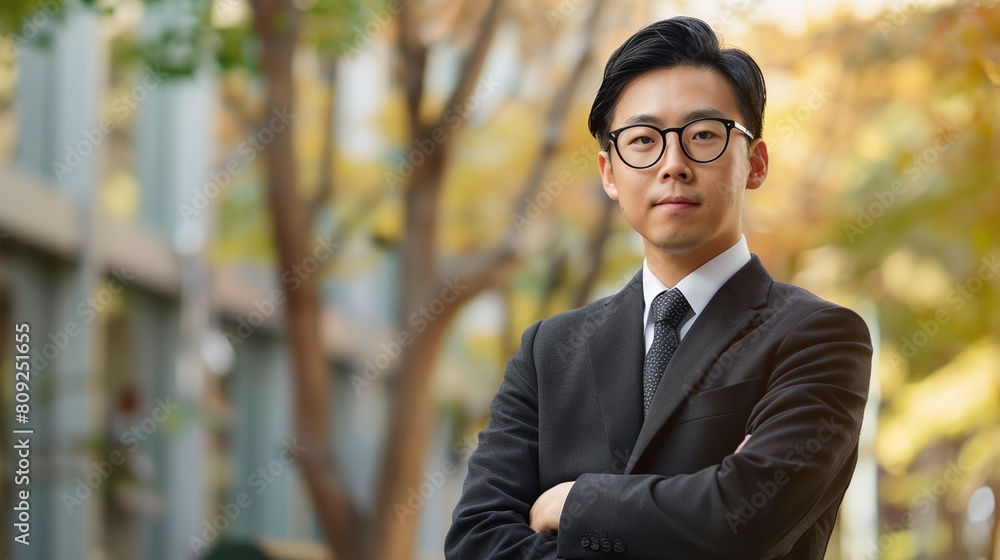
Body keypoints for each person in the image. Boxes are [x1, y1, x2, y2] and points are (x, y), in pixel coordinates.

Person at [445, 16, 872, 560]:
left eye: (703, 136)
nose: (673, 164)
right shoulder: (548, 353)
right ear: (608, 173)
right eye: (643, 140)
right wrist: (698, 503)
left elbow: (739, 520)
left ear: (755, 163)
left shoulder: (819, 337)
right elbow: (476, 543)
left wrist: (573, 503)